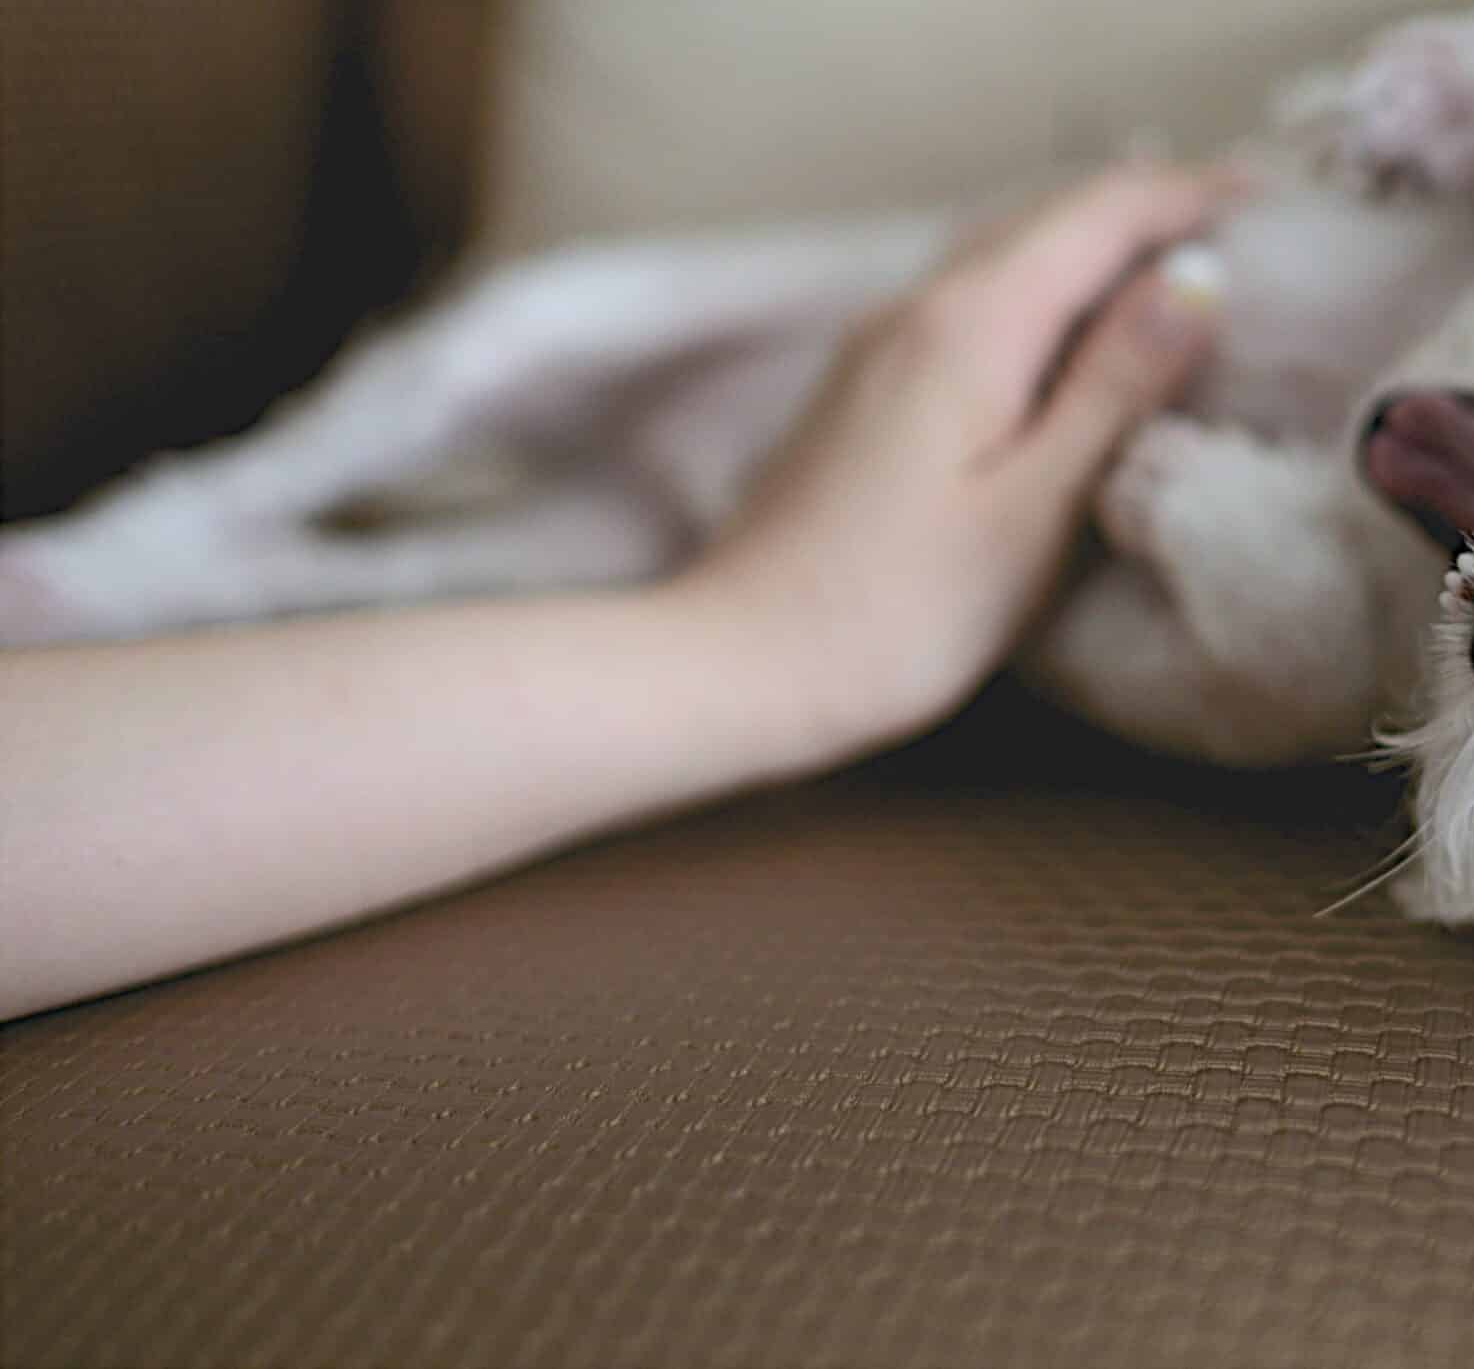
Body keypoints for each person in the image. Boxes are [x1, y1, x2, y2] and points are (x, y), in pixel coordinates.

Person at [0, 164, 1235, 1024]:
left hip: (714, 557)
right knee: (509, 352)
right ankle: (156, 551)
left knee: (458, 553)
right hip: (794, 479)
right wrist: (771, 646)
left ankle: (161, 563)